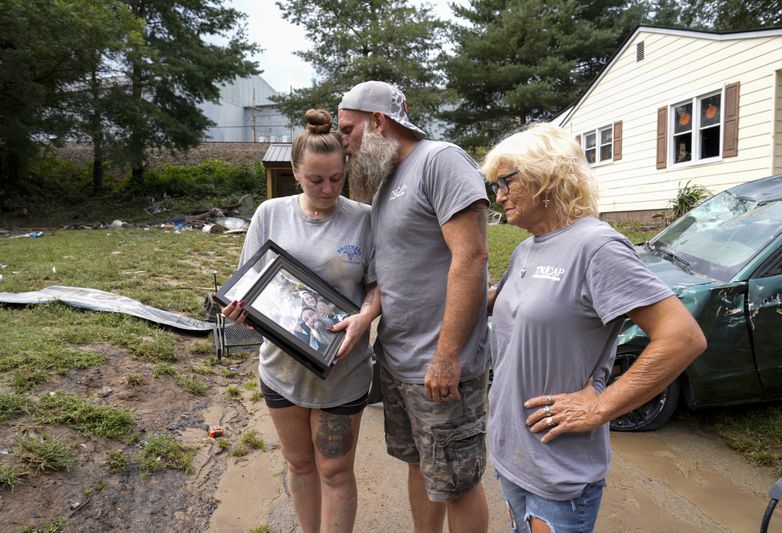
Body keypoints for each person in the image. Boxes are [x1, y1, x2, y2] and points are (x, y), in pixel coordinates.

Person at [482, 123, 707, 533]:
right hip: (512, 453)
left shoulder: (597, 246)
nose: (498, 196)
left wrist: (601, 406)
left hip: (558, 468)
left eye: (505, 183)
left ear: (543, 176)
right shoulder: (524, 250)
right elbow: (498, 308)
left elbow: (682, 337)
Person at [338, 81, 491, 533]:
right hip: (400, 363)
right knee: (420, 467)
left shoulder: (440, 161)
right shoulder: (386, 180)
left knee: (458, 481)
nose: (343, 142)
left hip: (440, 368)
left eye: (348, 130)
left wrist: (447, 357)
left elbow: (472, 256)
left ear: (379, 122)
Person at [222, 109, 380, 533]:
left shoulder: (363, 219)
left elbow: (378, 286)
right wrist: (242, 312)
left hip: (342, 370)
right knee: (299, 464)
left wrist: (364, 318)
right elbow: (249, 286)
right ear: (295, 172)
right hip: (281, 371)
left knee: (335, 470)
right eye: (315, 180)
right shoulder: (269, 214)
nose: (328, 189)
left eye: (336, 178)